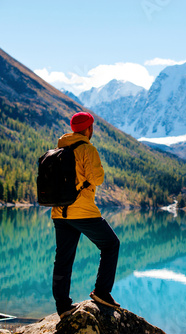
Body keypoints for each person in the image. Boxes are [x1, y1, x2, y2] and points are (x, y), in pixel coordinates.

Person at [51, 111, 120, 318]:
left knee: (63, 259)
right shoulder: (87, 149)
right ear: (89, 129)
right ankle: (101, 292)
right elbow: (96, 178)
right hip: (82, 210)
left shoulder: (60, 148)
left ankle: (63, 307)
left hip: (59, 212)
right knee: (111, 244)